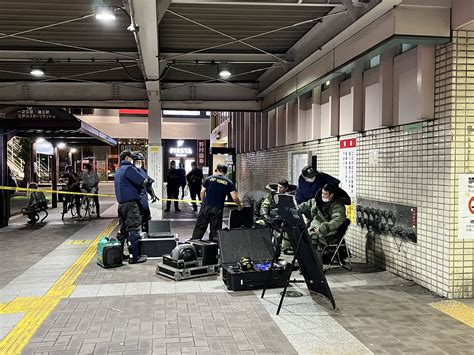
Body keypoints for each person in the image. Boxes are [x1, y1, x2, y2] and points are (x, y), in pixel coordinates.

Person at [114, 150, 149, 264]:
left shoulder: (119, 171)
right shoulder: (129, 169)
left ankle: (118, 255)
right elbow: (142, 182)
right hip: (131, 205)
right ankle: (134, 257)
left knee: (122, 231)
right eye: (132, 158)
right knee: (133, 229)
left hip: (121, 205)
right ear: (128, 159)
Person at [191, 164, 242, 242]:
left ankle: (193, 245)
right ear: (226, 171)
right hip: (217, 208)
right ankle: (213, 249)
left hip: (206, 207)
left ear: (217, 169)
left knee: (199, 227)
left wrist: (203, 202)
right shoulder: (228, 182)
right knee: (215, 231)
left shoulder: (209, 179)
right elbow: (234, 197)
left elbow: (202, 192)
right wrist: (239, 206)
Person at [297, 184, 350, 250]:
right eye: (322, 193)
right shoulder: (318, 200)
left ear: (331, 195)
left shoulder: (338, 206)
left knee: (310, 238)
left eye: (325, 194)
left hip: (328, 231)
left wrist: (324, 228)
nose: (322, 195)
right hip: (314, 227)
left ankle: (314, 257)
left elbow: (337, 220)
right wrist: (295, 210)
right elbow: (306, 205)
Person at [259, 179, 295, 254]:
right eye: (278, 187)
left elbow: (293, 209)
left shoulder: (290, 197)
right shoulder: (271, 196)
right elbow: (264, 206)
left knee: (288, 227)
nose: (279, 189)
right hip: (271, 218)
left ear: (286, 188)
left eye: (281, 187)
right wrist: (266, 216)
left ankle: (286, 247)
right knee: (259, 224)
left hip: (284, 219)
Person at [132, 152, 159, 233]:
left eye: (140, 161)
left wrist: (152, 194)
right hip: (135, 200)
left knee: (146, 217)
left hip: (143, 199)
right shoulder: (131, 171)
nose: (139, 163)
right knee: (134, 221)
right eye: (137, 161)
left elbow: (148, 183)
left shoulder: (142, 170)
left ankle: (146, 235)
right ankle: (133, 240)